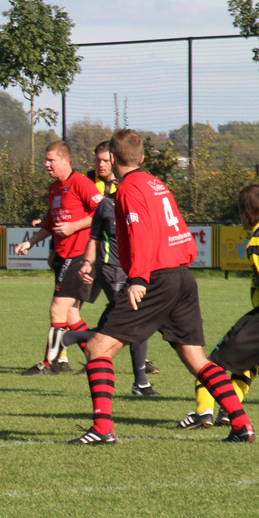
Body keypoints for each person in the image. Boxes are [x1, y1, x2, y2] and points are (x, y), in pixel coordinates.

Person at [70, 129, 255, 445]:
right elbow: (179, 229)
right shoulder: (157, 184)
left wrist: (138, 278)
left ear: (112, 158)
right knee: (196, 359)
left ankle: (102, 430)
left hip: (155, 278)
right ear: (142, 157)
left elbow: (139, 234)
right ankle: (242, 425)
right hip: (181, 275)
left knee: (97, 349)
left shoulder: (129, 189)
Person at [177, 184, 259, 432]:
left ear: (246, 213)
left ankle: (202, 412)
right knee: (249, 363)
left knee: (211, 364)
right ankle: (229, 411)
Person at [61, 141, 157, 394]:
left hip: (135, 271)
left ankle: (75, 338)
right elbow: (94, 237)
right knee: (133, 322)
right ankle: (140, 382)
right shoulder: (105, 204)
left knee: (123, 323)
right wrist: (87, 263)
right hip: (113, 270)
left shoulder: (137, 201)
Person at [13, 140, 102, 375]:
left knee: (57, 310)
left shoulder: (80, 183)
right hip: (64, 256)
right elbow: (51, 222)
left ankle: (49, 363)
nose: (46, 164)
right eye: (45, 160)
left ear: (65, 160)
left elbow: (102, 211)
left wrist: (74, 226)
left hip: (81, 255)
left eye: (50, 160)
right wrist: (31, 242)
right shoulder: (54, 188)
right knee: (70, 314)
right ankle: (97, 356)